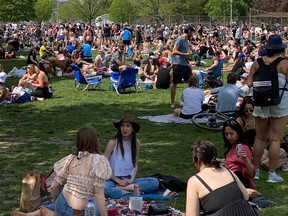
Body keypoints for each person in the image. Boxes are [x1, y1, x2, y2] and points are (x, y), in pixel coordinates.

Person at [13, 126, 112, 216]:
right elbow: (99, 194)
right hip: (79, 212)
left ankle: (48, 213)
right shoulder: (99, 161)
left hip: (61, 203)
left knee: (68, 199)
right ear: (95, 141)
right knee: (97, 205)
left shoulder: (70, 159)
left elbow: (53, 186)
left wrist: (56, 204)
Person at [247, 34, 288, 182]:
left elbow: (249, 83)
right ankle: (271, 173)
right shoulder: (284, 64)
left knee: (259, 138)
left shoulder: (257, 63)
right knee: (275, 140)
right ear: (281, 49)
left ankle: (256, 171)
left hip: (261, 102)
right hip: (280, 103)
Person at [186, 140, 258, 216]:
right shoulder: (226, 170)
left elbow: (191, 214)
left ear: (197, 159)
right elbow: (245, 196)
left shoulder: (194, 181)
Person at [104, 114, 159, 198]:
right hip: (113, 179)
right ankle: (131, 190)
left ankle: (123, 190)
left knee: (154, 182)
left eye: (128, 126)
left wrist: (131, 179)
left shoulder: (136, 142)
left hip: (128, 180)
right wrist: (117, 180)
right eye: (122, 126)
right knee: (105, 189)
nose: (124, 129)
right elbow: (103, 165)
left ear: (132, 129)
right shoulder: (113, 142)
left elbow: (135, 163)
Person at [222, 119, 255, 189]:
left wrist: (246, 160)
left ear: (238, 133)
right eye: (226, 134)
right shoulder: (233, 146)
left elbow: (251, 174)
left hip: (241, 186)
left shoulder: (243, 148)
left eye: (231, 134)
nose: (228, 137)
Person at [171, 25, 194, 108]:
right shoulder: (180, 39)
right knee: (175, 83)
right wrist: (185, 54)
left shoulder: (186, 40)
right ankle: (172, 102)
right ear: (188, 31)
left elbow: (184, 52)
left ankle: (187, 100)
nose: (192, 34)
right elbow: (174, 51)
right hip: (178, 63)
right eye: (192, 32)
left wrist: (189, 54)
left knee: (191, 82)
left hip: (185, 64)